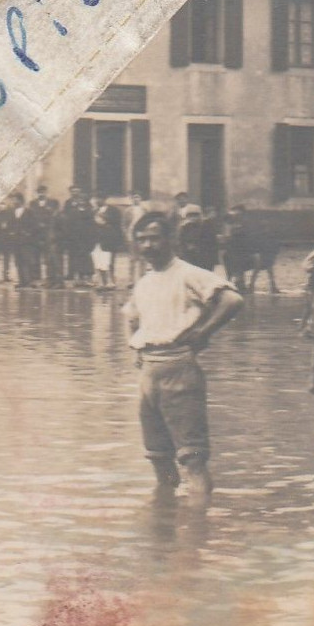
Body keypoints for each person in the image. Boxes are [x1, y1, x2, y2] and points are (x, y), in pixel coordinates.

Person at [122, 213, 245, 499]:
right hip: (148, 372)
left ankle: (198, 531)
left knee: (192, 458)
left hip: (178, 367)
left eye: (154, 238)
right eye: (141, 240)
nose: (148, 245)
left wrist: (203, 332)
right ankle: (165, 520)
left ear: (170, 240)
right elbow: (132, 318)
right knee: (158, 456)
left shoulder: (188, 273)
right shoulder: (144, 282)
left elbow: (232, 300)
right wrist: (135, 349)